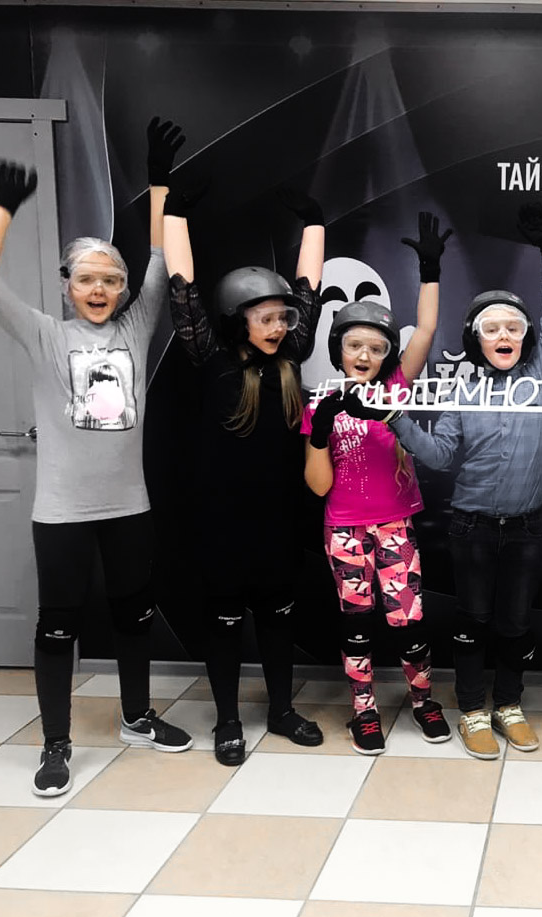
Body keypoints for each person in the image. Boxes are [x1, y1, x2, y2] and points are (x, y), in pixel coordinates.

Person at [0, 119, 194, 797]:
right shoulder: (43, 335)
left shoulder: (137, 326)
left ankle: (136, 717)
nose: (99, 290)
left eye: (109, 281)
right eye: (87, 279)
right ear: (67, 284)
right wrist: (2, 207)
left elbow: (160, 261)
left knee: (134, 618)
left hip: (129, 508)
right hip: (62, 513)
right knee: (58, 627)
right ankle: (56, 743)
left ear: (121, 290)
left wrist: (158, 183)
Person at [388, 202, 542, 759]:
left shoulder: (540, 376)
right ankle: (471, 709)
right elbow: (440, 456)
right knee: (472, 622)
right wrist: (397, 419)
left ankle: (508, 705)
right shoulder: (461, 390)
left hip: (526, 528)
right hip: (471, 529)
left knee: (515, 624)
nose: (504, 334)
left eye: (513, 327)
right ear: (477, 340)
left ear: (525, 337)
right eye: (492, 329)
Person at [164, 185, 327, 765]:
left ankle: (281, 711)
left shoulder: (291, 357)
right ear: (238, 321)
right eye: (266, 318)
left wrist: (315, 225)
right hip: (223, 526)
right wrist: (174, 215)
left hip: (279, 522)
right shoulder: (210, 359)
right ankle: (228, 721)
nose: (279, 326)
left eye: (283, 317)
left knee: (280, 620)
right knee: (226, 625)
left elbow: (308, 290)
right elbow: (182, 291)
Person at [303, 212, 452, 755]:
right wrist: (321, 431)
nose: (364, 355)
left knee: (409, 622)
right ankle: (363, 711)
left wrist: (430, 271)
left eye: (376, 347)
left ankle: (422, 701)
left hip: (395, 526)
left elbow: (426, 331)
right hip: (344, 530)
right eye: (354, 345)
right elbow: (317, 486)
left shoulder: (395, 388)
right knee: (357, 626)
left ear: (388, 354)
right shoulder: (319, 402)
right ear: (339, 348)